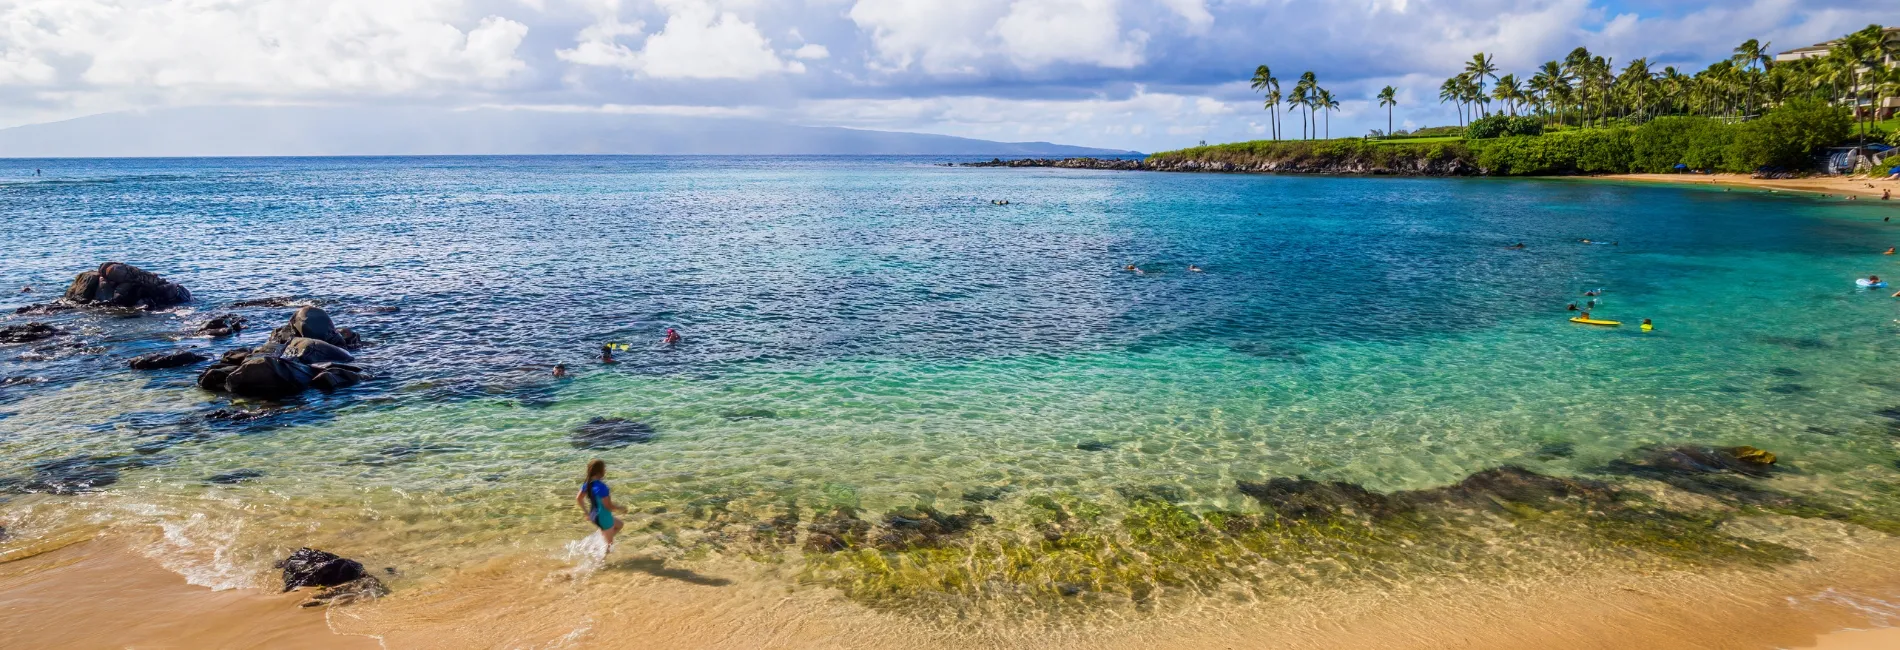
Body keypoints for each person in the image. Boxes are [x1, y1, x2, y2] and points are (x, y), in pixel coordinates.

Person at [576, 459, 628, 552]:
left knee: (620, 524)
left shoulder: (587, 484)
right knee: (609, 546)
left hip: (593, 516)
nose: (605, 470)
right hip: (603, 518)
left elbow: (579, 499)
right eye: (604, 468)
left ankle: (598, 542)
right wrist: (621, 508)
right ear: (600, 471)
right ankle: (600, 564)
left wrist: (586, 513)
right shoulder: (602, 487)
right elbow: (608, 506)